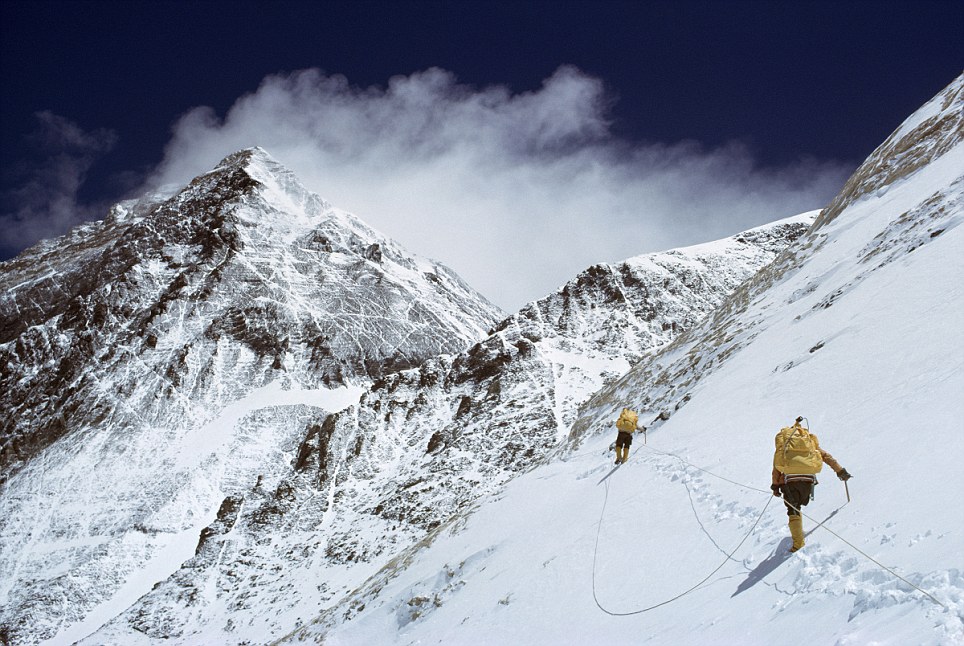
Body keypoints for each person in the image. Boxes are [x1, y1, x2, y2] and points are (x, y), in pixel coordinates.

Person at [771, 416, 852, 552]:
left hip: (790, 480)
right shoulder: (809, 442)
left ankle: (798, 544)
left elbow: (776, 467)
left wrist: (775, 486)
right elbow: (826, 457)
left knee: (793, 509)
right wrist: (840, 471)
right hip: (808, 479)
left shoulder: (784, 445)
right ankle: (799, 537)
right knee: (798, 505)